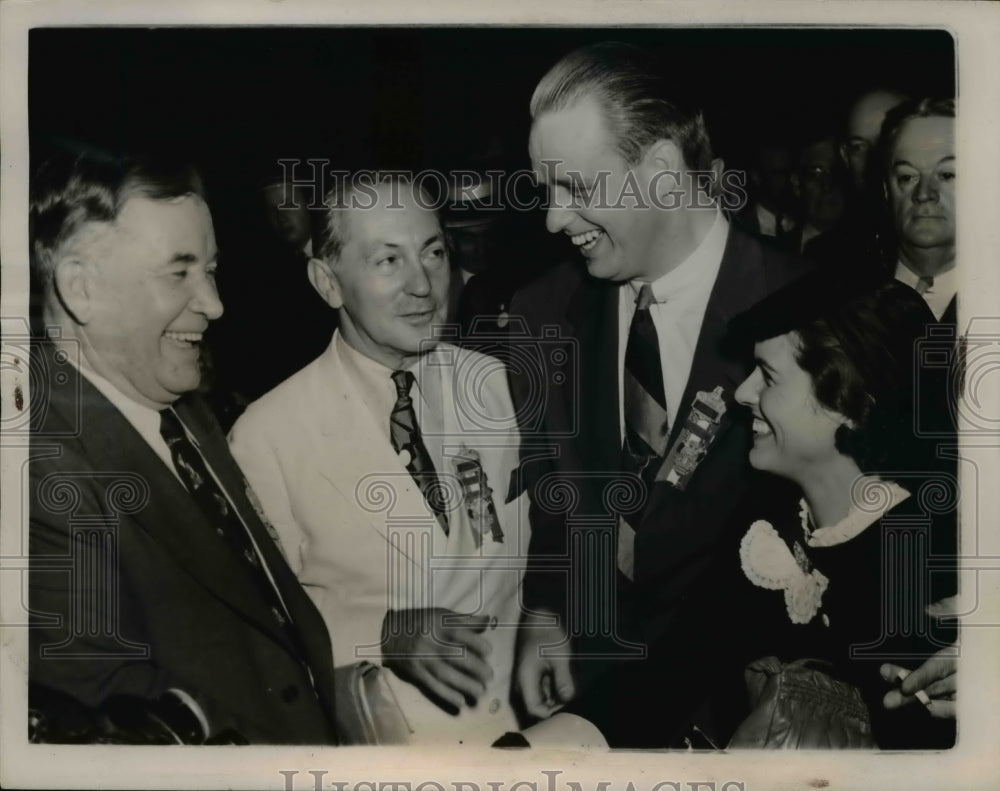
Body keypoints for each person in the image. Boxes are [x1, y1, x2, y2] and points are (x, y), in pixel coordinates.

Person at [506, 41, 811, 747]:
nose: (553, 219)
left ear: (665, 172)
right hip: (588, 705)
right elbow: (551, 488)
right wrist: (548, 608)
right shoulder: (539, 312)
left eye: (577, 189)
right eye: (545, 191)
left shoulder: (812, 312)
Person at [28, 153, 338, 744]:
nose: (215, 304)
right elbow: (112, 717)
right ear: (80, 290)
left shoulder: (184, 411)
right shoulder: (41, 475)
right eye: (179, 273)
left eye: (212, 270)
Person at [229, 173, 532, 745]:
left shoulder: (500, 386)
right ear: (327, 283)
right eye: (387, 261)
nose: (423, 285)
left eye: (433, 252)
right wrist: (378, 631)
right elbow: (256, 627)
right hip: (390, 750)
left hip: (527, 738)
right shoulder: (265, 436)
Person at [725, 271, 957, 749]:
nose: (741, 393)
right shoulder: (764, 521)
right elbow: (674, 667)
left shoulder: (932, 568)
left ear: (847, 401)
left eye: (767, 376)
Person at [879, 98, 957, 323]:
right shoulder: (840, 303)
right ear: (886, 190)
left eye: (947, 175)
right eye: (907, 176)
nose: (924, 193)